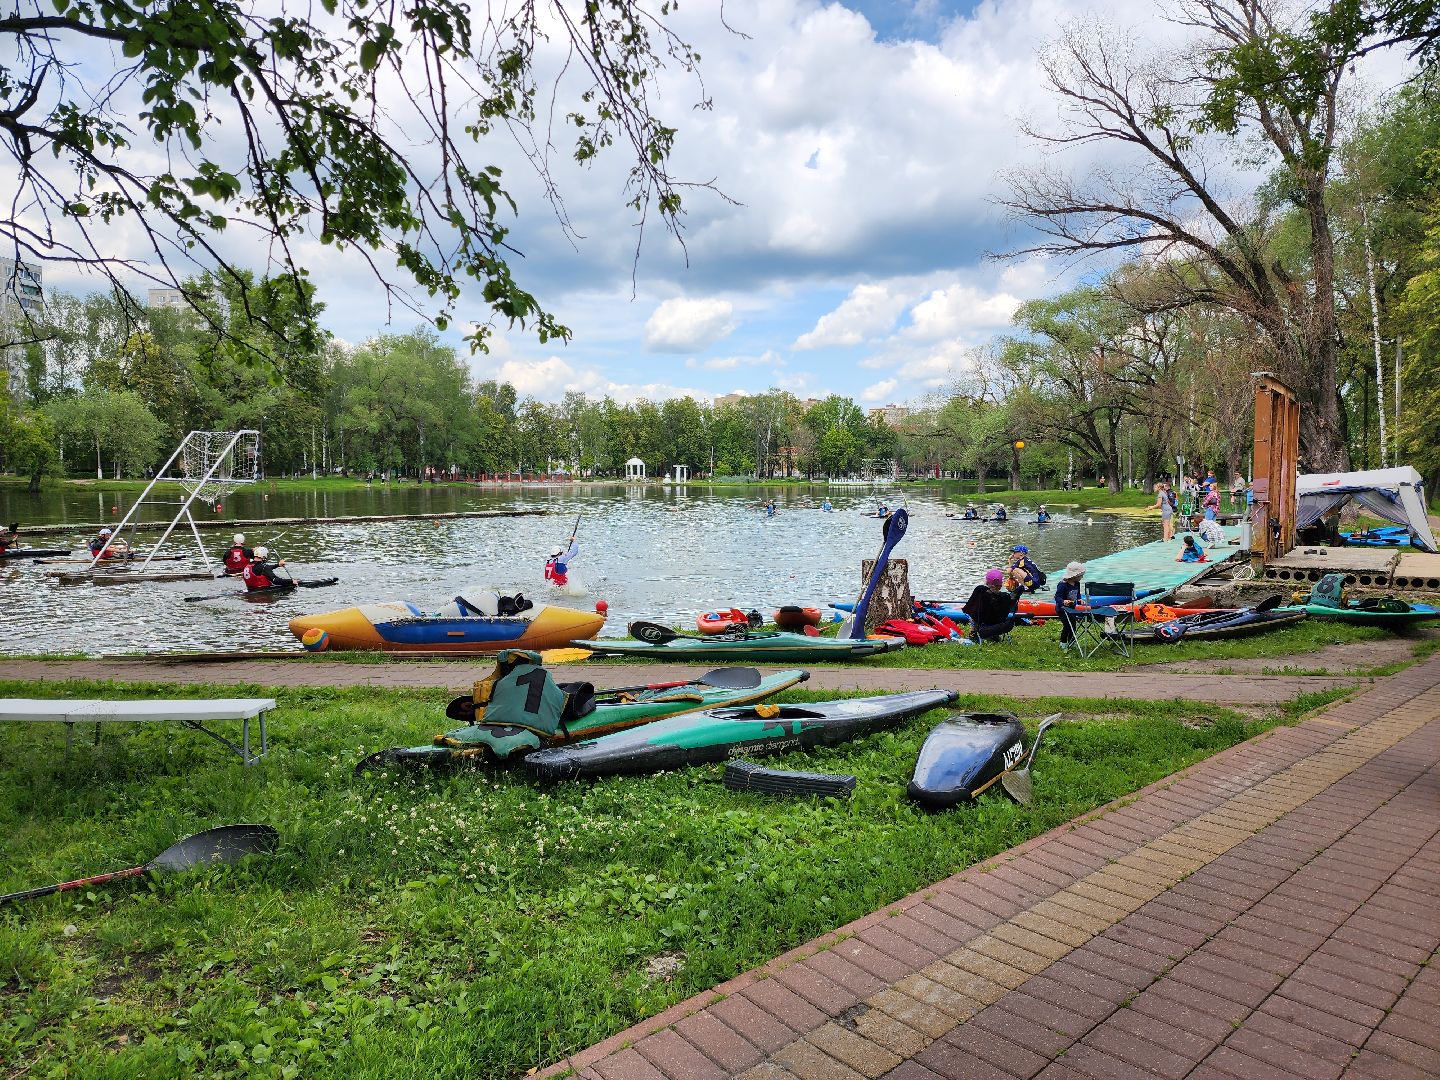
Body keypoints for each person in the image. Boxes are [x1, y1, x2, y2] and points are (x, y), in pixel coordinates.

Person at [962, 569, 1017, 643]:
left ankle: (973, 633)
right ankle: (994, 635)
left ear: (987, 582)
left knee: (974, 613)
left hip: (981, 623)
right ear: (1001, 584)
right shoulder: (1006, 597)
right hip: (999, 623)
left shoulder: (980, 592)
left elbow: (968, 608)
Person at [1055, 561, 1085, 651]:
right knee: (1067, 625)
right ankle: (1063, 642)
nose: (1081, 577)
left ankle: (1072, 641)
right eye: (1080, 576)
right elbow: (1057, 597)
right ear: (1074, 576)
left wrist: (1079, 600)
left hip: (1072, 608)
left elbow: (1077, 594)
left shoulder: (1077, 584)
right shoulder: (1063, 585)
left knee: (1073, 625)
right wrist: (1063, 601)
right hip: (1062, 609)